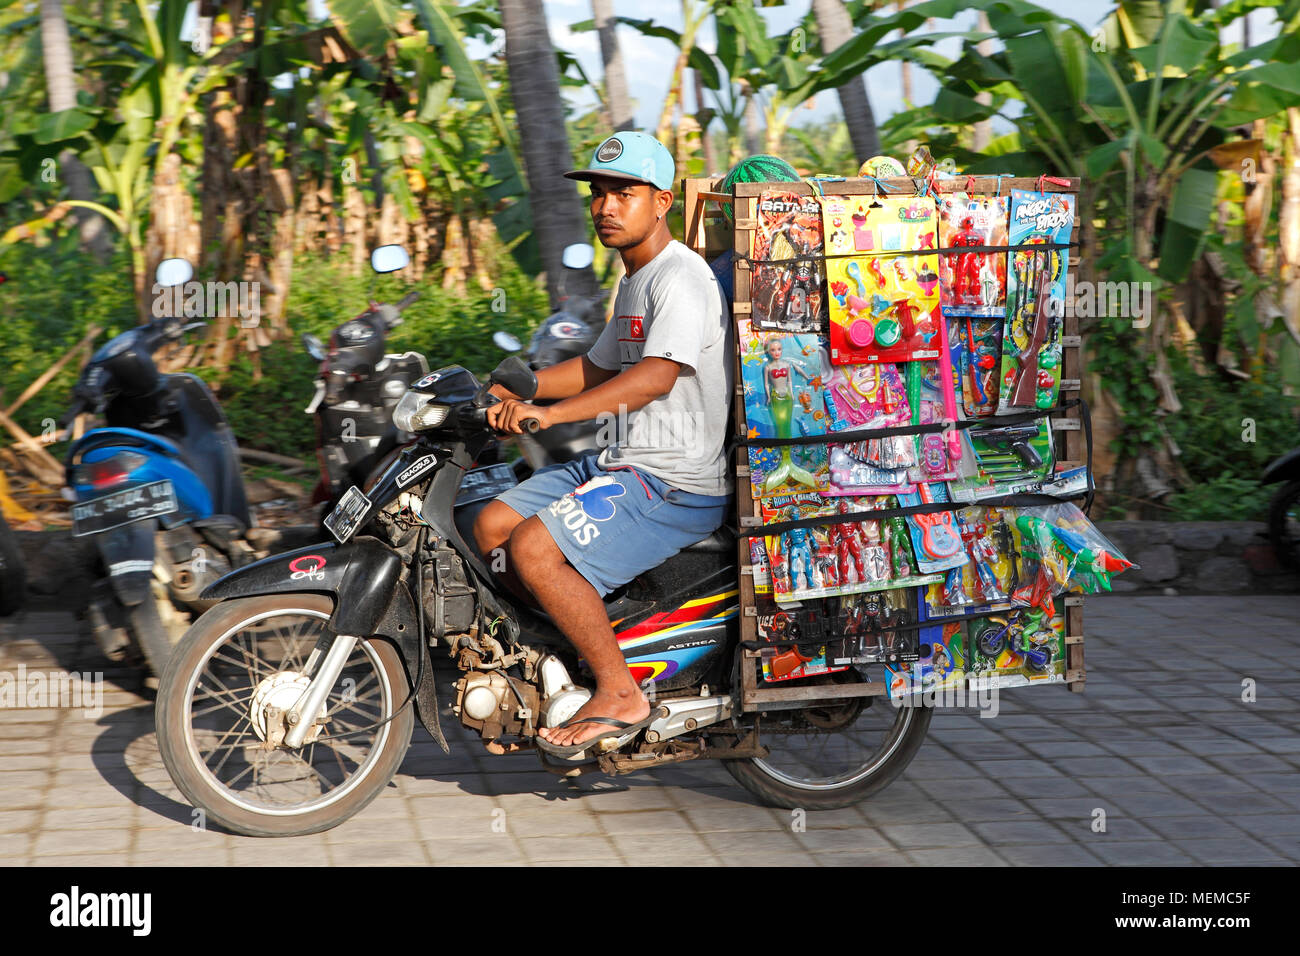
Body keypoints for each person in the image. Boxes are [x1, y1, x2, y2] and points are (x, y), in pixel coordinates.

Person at [472, 130, 733, 757]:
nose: (606, 206)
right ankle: (566, 647)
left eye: (624, 192)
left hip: (677, 477)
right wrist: (521, 384)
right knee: (491, 524)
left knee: (534, 549)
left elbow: (652, 377)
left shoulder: (681, 279)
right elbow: (600, 366)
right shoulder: (637, 279)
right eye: (599, 193)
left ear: (662, 200)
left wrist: (545, 416)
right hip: (625, 457)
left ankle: (620, 691)